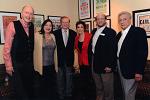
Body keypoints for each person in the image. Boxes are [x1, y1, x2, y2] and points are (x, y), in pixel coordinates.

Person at [3, 5, 35, 100]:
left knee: (29, 89)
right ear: (21, 14)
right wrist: (8, 65)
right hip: (16, 65)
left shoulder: (32, 26)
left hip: (28, 65)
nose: (29, 15)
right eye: (26, 12)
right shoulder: (13, 25)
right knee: (20, 92)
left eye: (31, 13)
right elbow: (7, 47)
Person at [117, 11, 148, 100]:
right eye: (120, 20)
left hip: (131, 68)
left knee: (129, 92)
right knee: (124, 91)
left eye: (124, 19)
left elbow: (142, 52)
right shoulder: (119, 34)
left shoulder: (138, 31)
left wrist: (139, 71)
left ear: (130, 20)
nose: (122, 22)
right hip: (120, 66)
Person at [88, 13, 117, 100]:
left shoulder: (111, 32)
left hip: (106, 65)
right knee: (98, 86)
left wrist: (110, 65)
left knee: (108, 88)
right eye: (98, 19)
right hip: (95, 62)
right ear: (96, 21)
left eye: (102, 18)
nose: (100, 20)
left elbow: (113, 50)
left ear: (105, 20)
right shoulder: (93, 31)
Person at [34, 19, 58, 100]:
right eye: (46, 25)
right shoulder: (37, 35)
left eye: (50, 25)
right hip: (42, 67)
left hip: (52, 66)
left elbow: (55, 52)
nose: (48, 27)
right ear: (43, 26)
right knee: (42, 87)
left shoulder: (53, 36)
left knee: (51, 87)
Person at [54, 16, 76, 100]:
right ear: (60, 23)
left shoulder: (73, 33)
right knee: (59, 79)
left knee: (69, 78)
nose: (65, 24)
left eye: (67, 22)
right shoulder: (55, 33)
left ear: (69, 23)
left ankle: (68, 94)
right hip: (58, 60)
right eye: (63, 22)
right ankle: (61, 95)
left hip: (69, 60)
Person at [73, 20, 95, 100]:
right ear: (76, 28)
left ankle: (91, 97)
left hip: (89, 62)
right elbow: (76, 49)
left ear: (84, 28)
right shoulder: (76, 38)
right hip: (81, 63)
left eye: (81, 27)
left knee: (90, 82)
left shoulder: (90, 36)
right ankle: (85, 96)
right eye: (78, 27)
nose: (80, 29)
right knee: (83, 82)